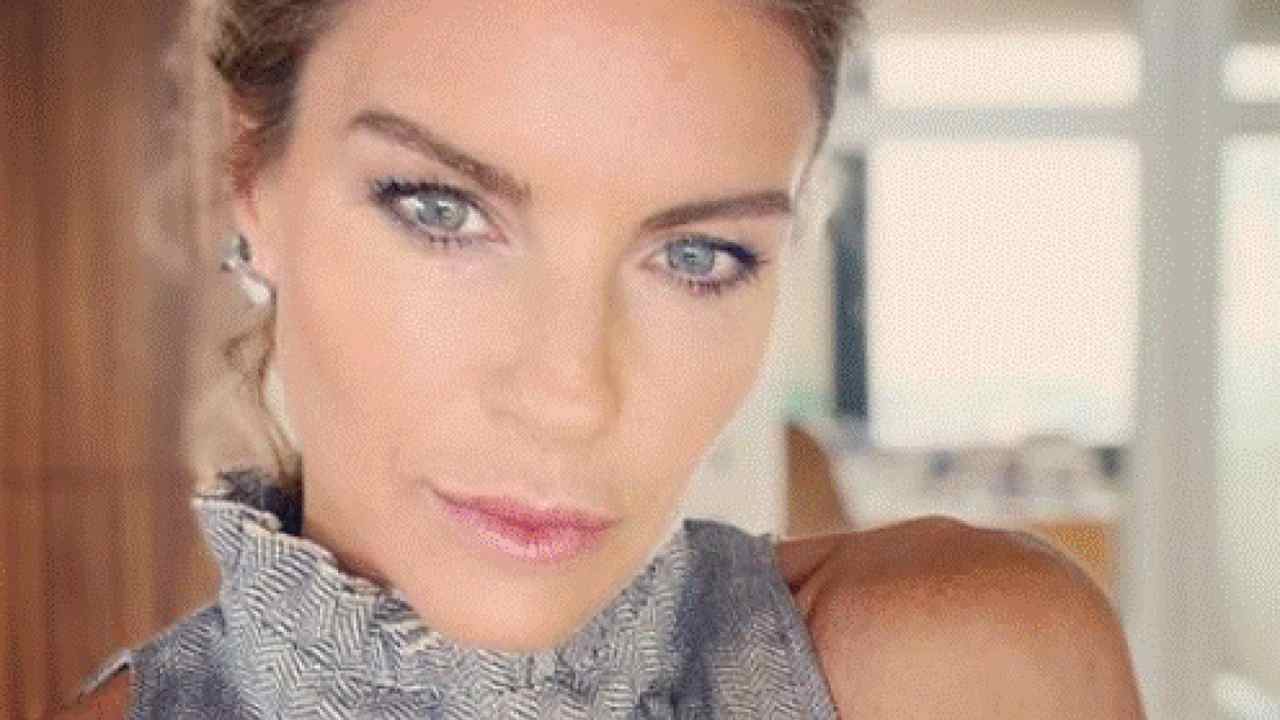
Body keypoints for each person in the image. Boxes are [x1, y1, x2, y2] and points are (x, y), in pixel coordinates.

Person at [58, 0, 1146, 717]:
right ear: (249, 177)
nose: (570, 396)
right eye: (440, 209)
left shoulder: (970, 670)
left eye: (695, 255)